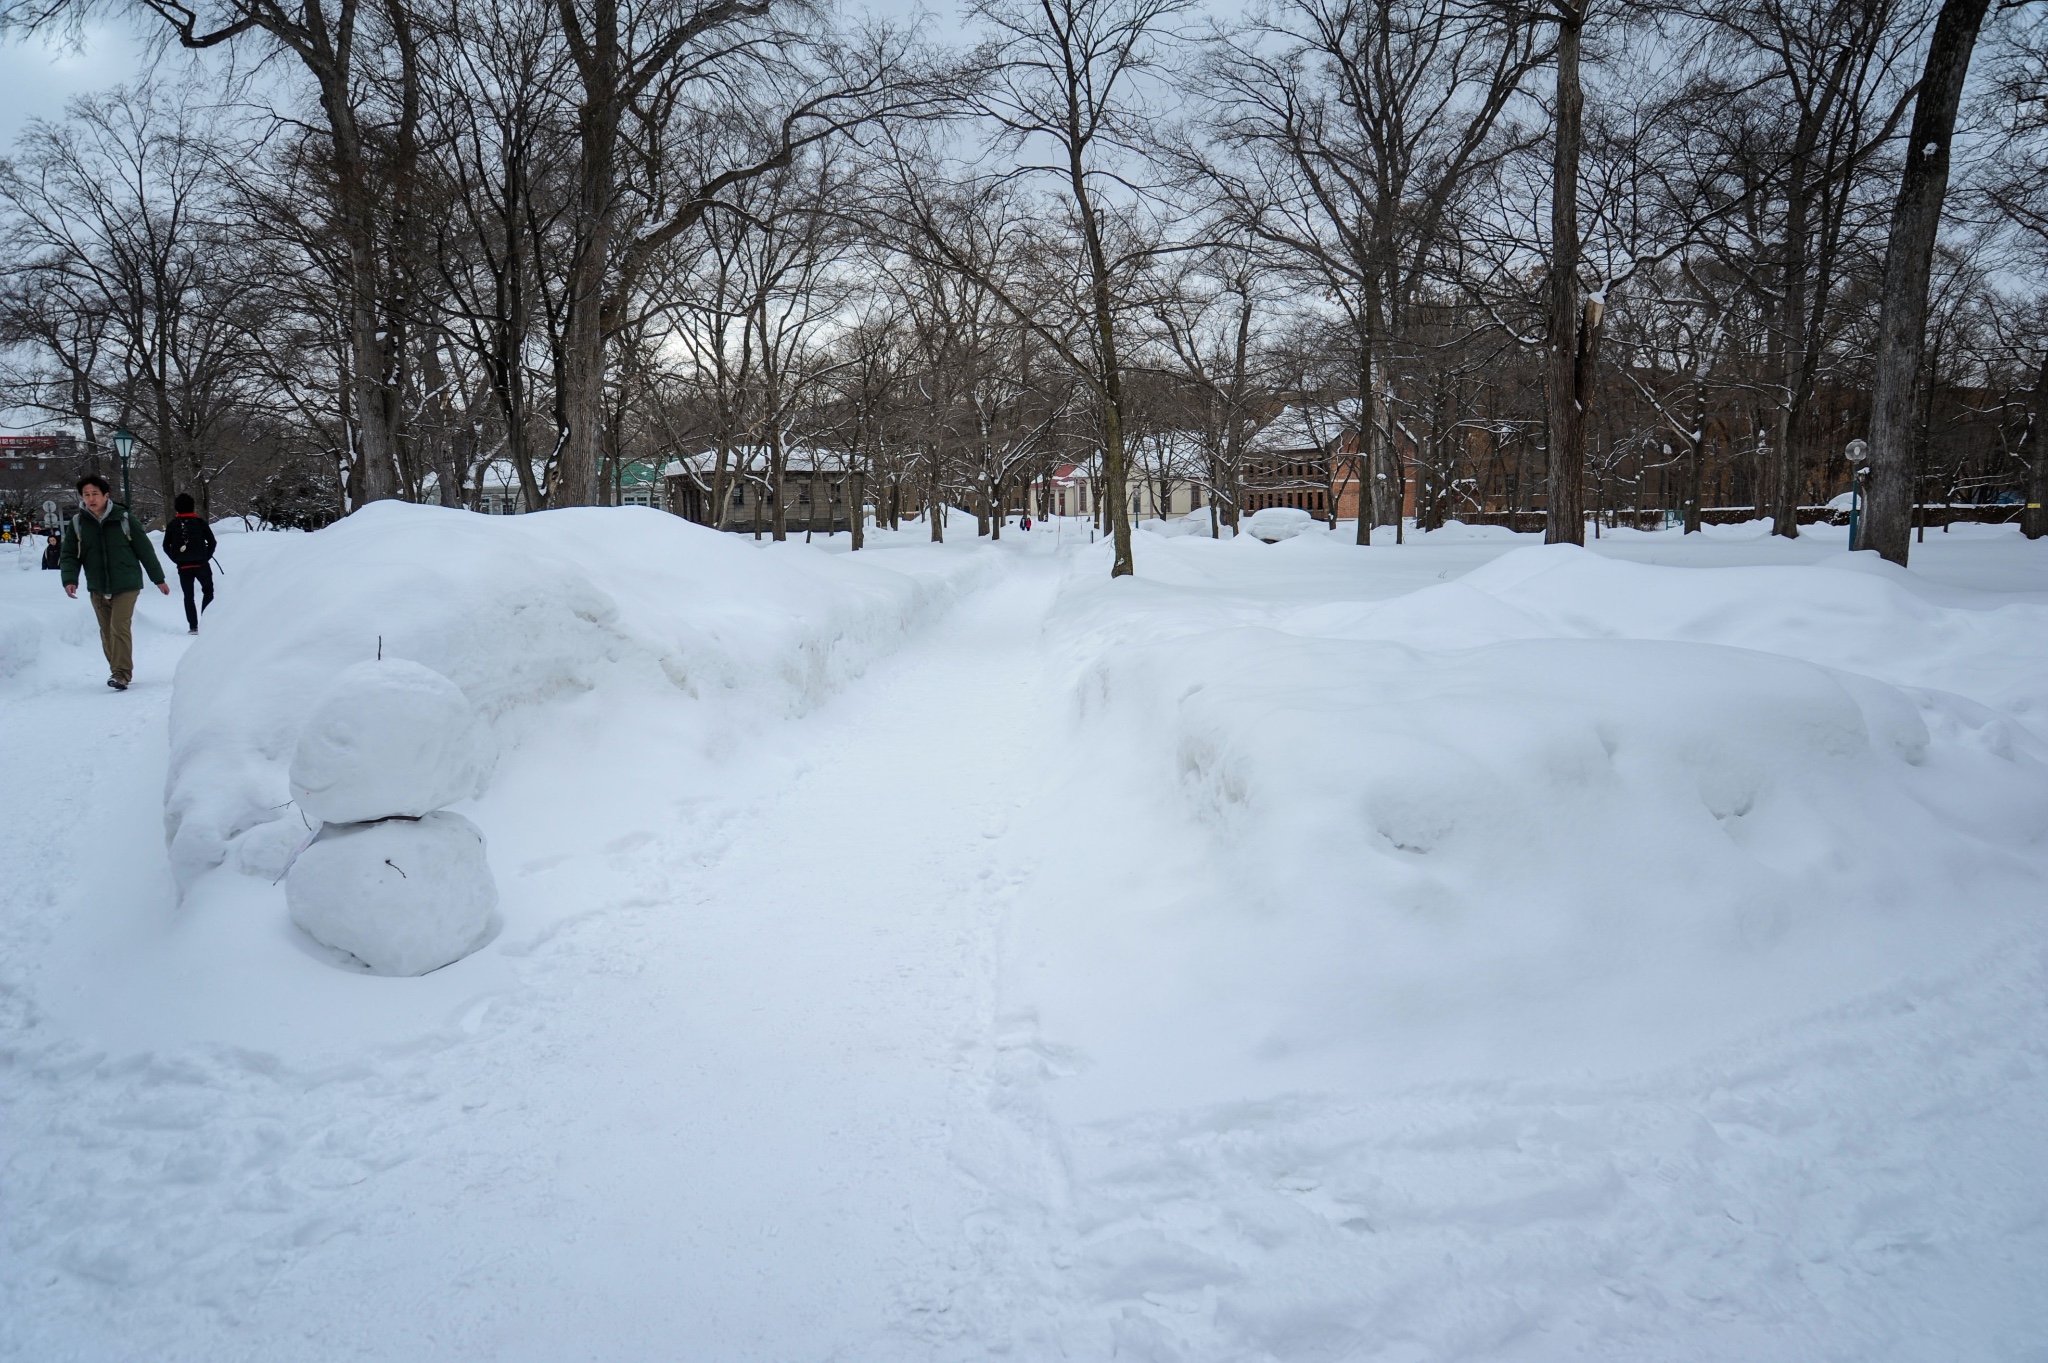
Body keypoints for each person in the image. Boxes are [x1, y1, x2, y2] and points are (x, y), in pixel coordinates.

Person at [59, 474, 168, 691]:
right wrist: (70, 579)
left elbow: (144, 550)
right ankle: (116, 670)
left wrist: (159, 579)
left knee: (119, 627)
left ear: (106, 495)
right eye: (86, 495)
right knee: (106, 631)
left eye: (95, 494)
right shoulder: (78, 523)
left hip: (126, 583)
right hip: (97, 585)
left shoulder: (124, 518)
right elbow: (70, 553)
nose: (91, 499)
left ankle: (121, 673)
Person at [161, 492, 218, 633]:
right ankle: (206, 622)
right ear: (192, 507)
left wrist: (176, 559)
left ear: (177, 508)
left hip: (183, 566)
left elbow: (165, 546)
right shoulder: (200, 523)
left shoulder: (173, 525)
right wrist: (206, 557)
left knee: (188, 596)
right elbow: (212, 542)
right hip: (201, 564)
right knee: (208, 591)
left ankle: (193, 626)